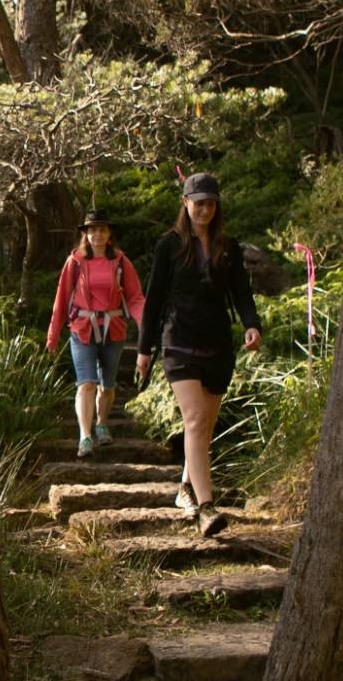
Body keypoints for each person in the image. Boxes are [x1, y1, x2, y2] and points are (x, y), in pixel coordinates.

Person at [135, 172, 262, 537]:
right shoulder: (168, 246)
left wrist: (252, 324)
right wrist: (144, 350)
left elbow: (241, 293)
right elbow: (154, 299)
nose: (204, 209)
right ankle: (207, 508)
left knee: (204, 428)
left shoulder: (228, 246)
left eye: (210, 203)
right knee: (194, 420)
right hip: (179, 344)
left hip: (218, 345)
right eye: (198, 202)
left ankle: (187, 489)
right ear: (185, 203)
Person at [47, 211, 145, 459]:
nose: (97, 234)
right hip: (82, 328)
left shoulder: (121, 262)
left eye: (102, 229)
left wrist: (146, 326)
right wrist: (53, 335)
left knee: (107, 386)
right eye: (92, 230)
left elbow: (135, 297)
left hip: (113, 329)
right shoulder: (76, 262)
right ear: (85, 234)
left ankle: (102, 423)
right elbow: (61, 297)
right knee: (86, 383)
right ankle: (85, 435)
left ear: (109, 233)